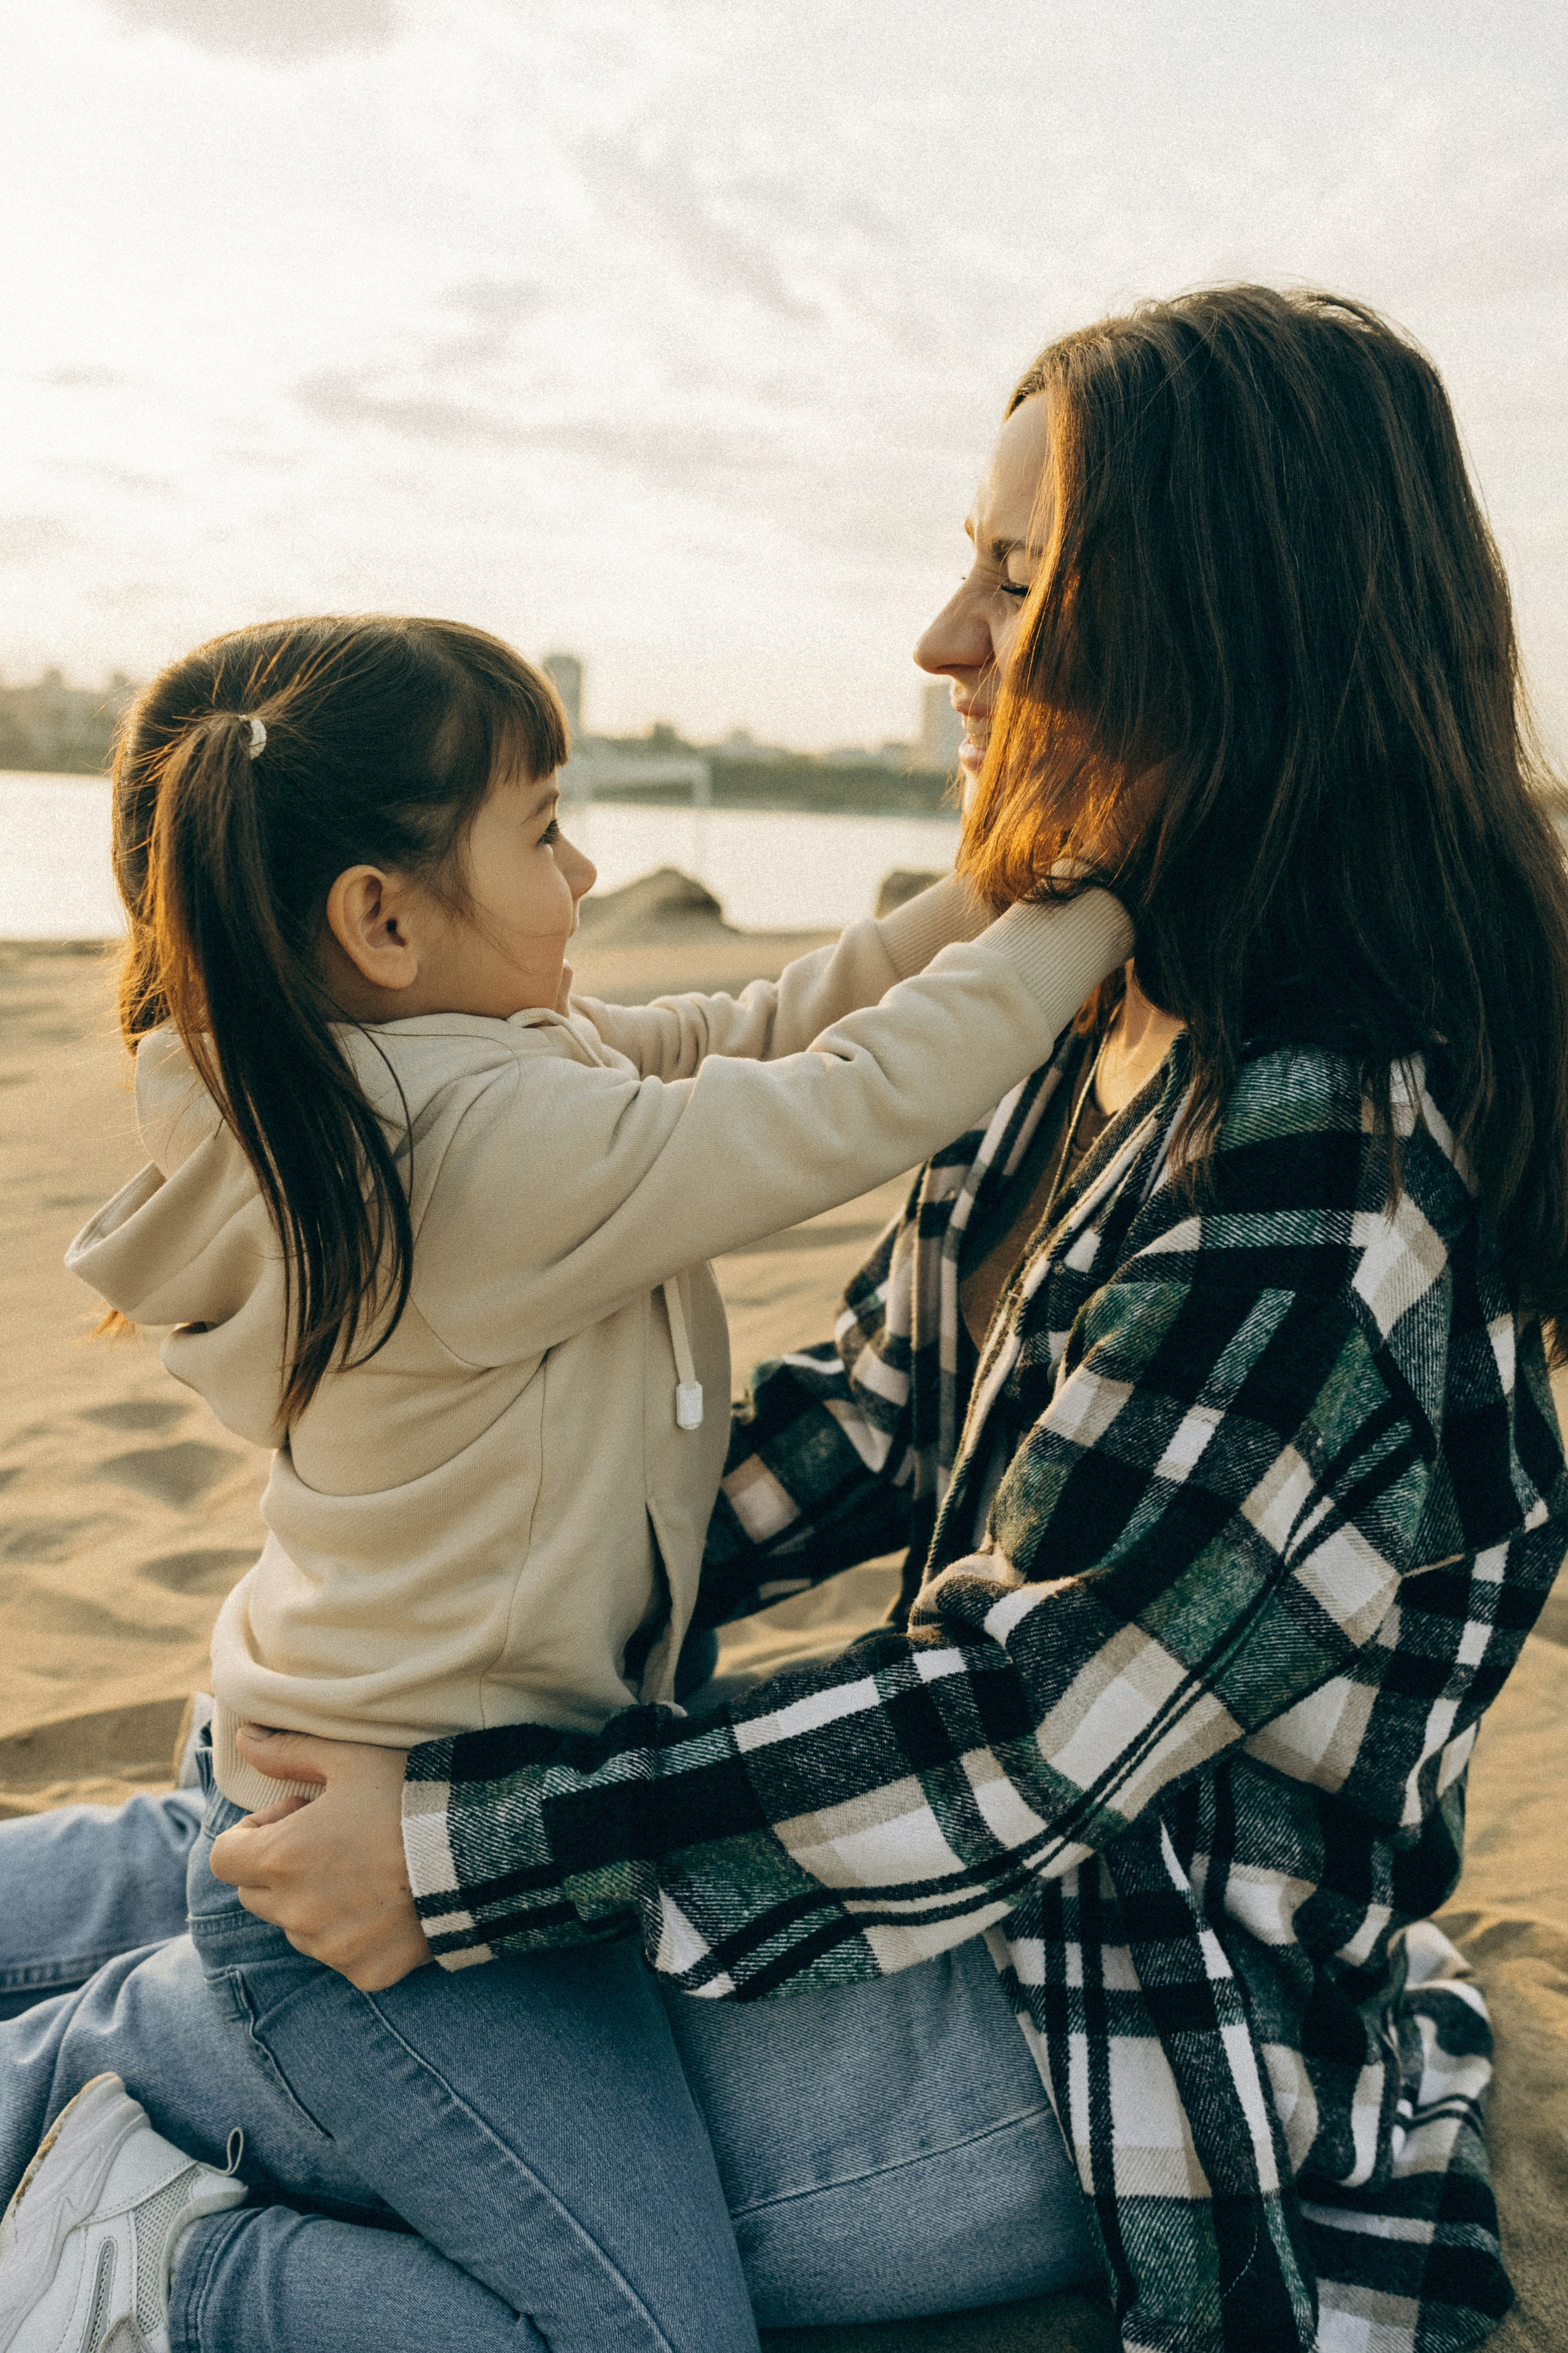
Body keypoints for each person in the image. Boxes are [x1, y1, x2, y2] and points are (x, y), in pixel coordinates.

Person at [3, 283, 1567, 2353]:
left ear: (1226, 628)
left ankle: (134, 2222)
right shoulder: (1104, 1018)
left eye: (1019, 580)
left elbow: (1016, 1725)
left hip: (1097, 2007)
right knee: (294, 1841)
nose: (941, 641)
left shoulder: (1337, 1181)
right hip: (924, 1870)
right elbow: (885, 1411)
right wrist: (488, 1627)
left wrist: (461, 1841)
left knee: (309, 1996)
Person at [0, 611, 1129, 2353]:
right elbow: (848, 1100)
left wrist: (989, 885)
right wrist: (1101, 902)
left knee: (164, 1885)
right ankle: (160, 2268)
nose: (588, 869)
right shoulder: (476, 1152)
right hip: (413, 1855)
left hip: (368, 1754)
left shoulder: (434, 1077)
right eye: (541, 832)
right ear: (382, 921)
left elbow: (772, 1019)